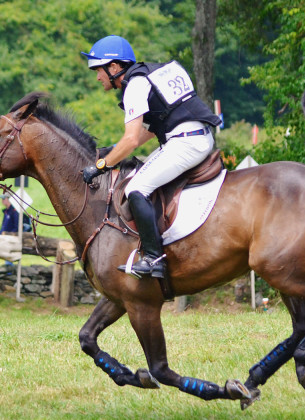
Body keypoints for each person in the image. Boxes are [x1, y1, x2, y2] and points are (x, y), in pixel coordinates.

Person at [80, 35, 221, 279]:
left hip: (185, 142)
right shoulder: (154, 73)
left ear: (114, 67)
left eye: (99, 70)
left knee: (136, 188)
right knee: (140, 176)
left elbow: (132, 139)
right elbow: (151, 130)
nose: (97, 77)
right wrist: (116, 149)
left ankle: (153, 258)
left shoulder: (134, 85)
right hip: (197, 136)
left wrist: (102, 164)